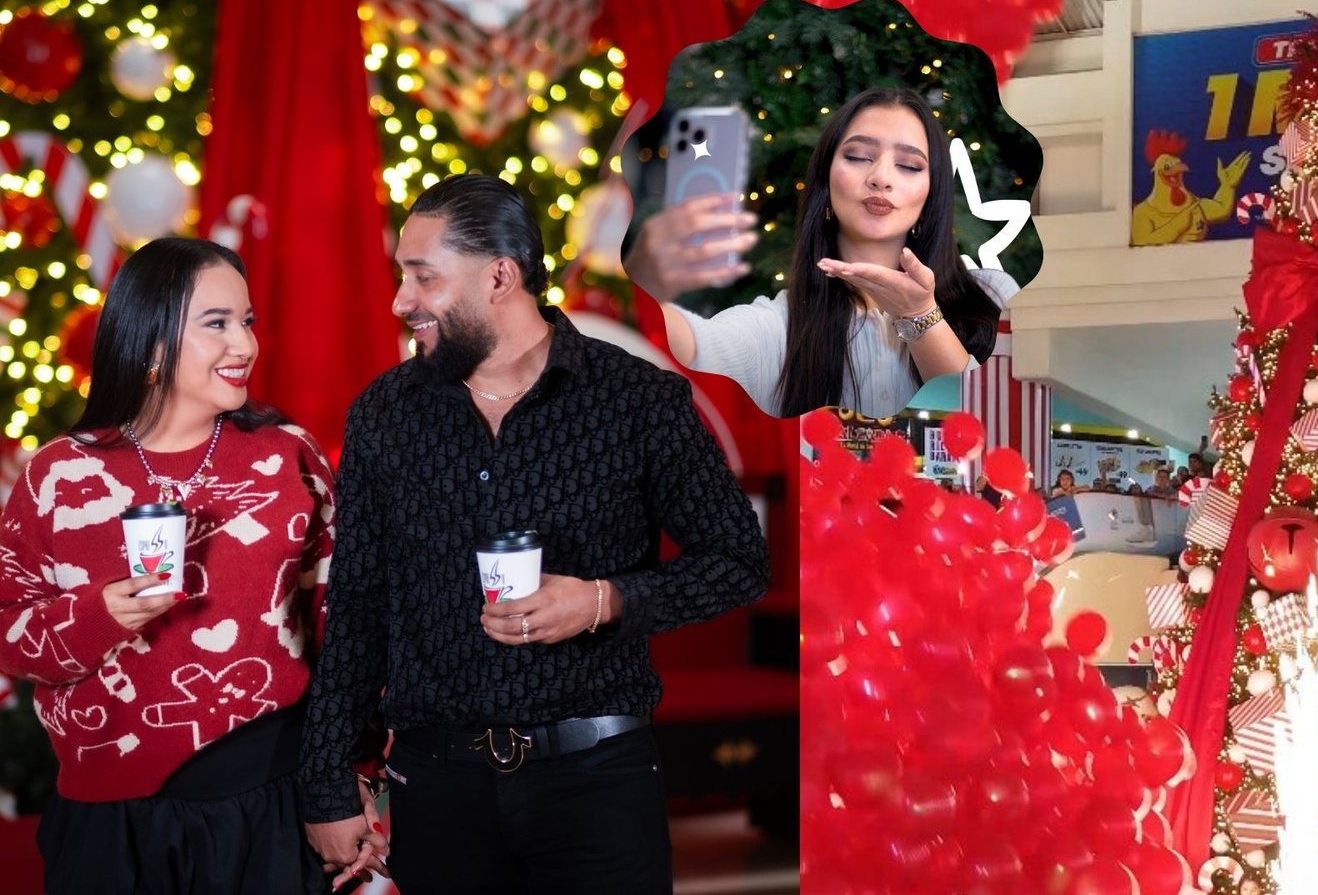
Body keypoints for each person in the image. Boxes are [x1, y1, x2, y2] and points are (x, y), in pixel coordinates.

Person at [298, 174, 771, 895]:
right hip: (436, 788)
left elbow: (738, 562)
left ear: (499, 276)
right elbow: (358, 602)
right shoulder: (384, 415)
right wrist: (328, 778)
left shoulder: (637, 400)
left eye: (423, 277)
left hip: (599, 786)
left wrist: (602, 602)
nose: (402, 301)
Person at [0, 238, 364, 894]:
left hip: (266, 801)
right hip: (108, 824)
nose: (245, 345)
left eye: (246, 322)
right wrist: (98, 614)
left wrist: (346, 779)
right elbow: (8, 636)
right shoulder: (57, 475)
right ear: (153, 340)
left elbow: (344, 631)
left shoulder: (289, 458)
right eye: (217, 323)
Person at [627, 86, 1015, 418]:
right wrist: (640, 284)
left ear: (932, 195)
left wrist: (920, 316)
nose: (881, 177)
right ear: (826, 183)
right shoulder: (781, 327)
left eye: (909, 165)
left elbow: (1005, 432)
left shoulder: (994, 295)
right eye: (859, 156)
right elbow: (690, 345)